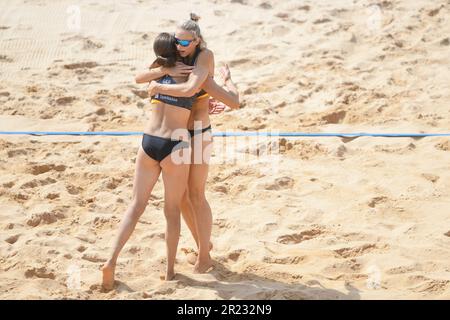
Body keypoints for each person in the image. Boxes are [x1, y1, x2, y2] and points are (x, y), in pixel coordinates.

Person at [147, 13, 239, 273]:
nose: (179, 45)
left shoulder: (204, 57)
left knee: (197, 194)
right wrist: (161, 74)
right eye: (177, 41)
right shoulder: (174, 57)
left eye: (186, 42)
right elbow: (143, 74)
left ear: (197, 40)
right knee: (184, 197)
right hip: (176, 136)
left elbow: (231, 100)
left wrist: (226, 81)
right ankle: (203, 247)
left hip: (198, 132)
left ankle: (204, 259)